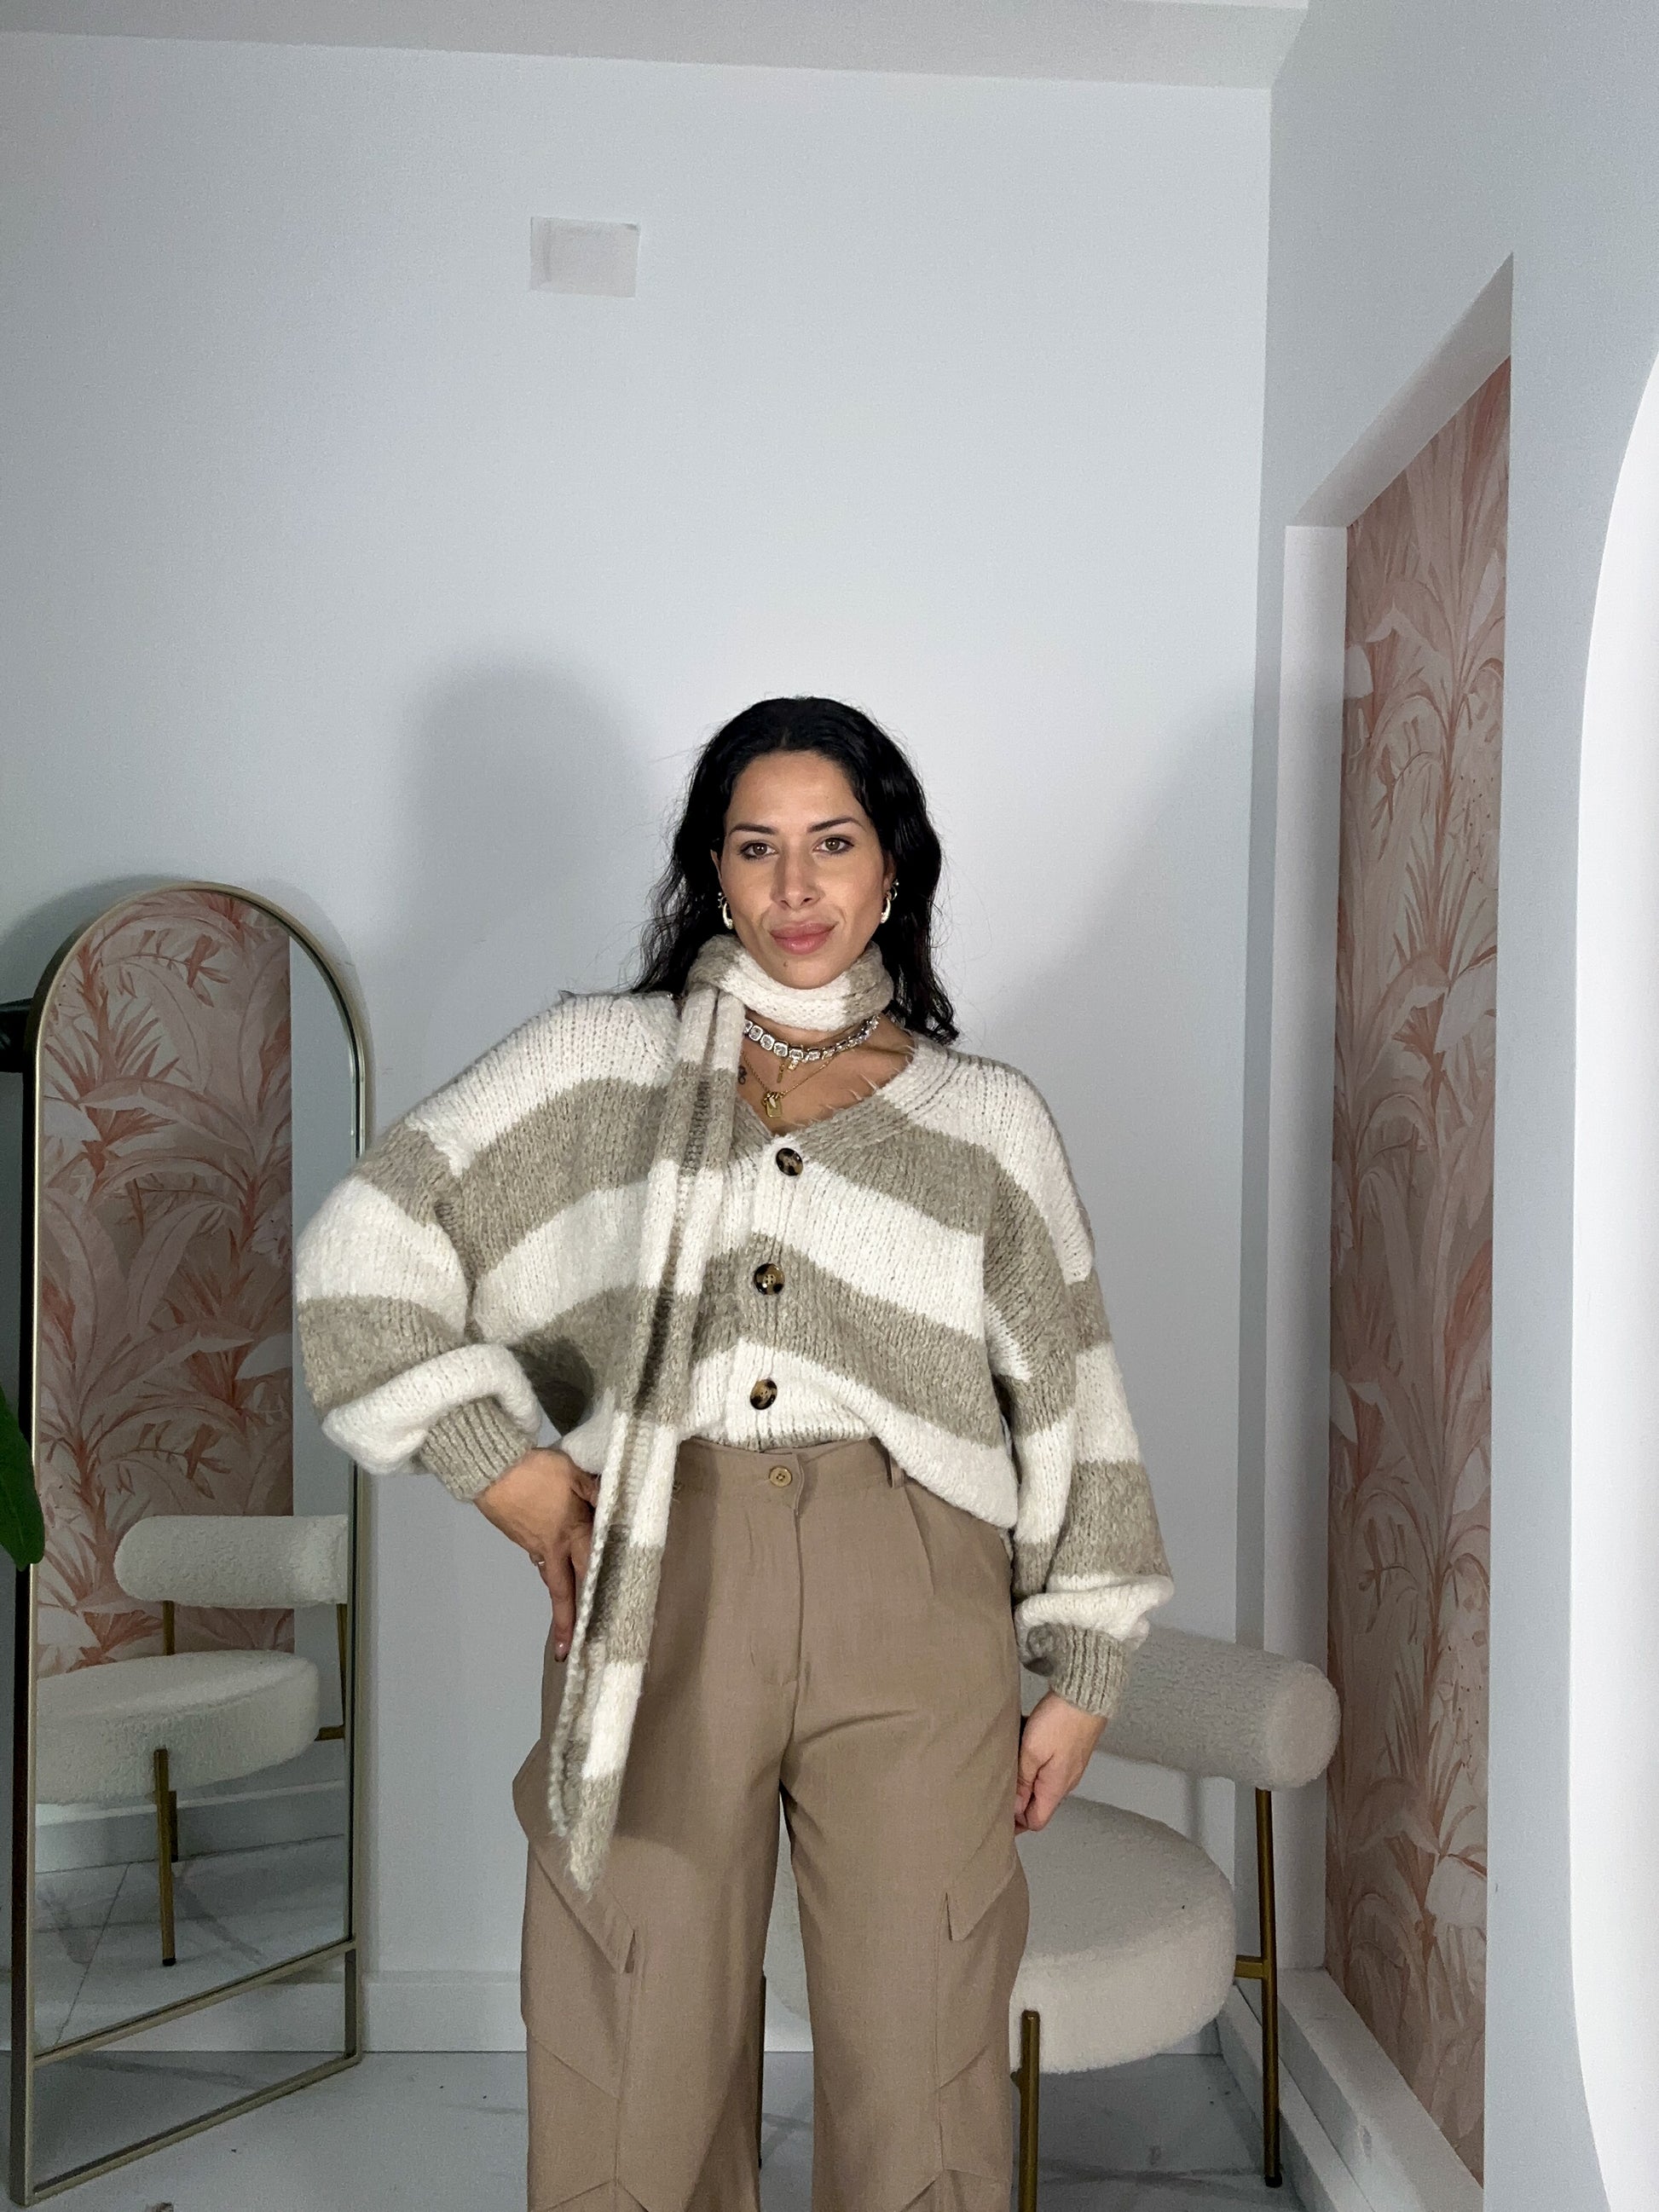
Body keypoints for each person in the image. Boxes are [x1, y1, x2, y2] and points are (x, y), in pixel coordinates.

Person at [295, 696, 1173, 2212]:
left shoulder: (987, 1121)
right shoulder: (597, 1063)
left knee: (924, 2042)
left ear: (892, 869)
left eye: (833, 844)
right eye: (756, 848)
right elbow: (362, 1256)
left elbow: (1073, 1394)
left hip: (916, 1593)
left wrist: (1086, 1665)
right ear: (711, 870)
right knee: (629, 2023)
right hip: (662, 1571)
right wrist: (510, 1472)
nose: (796, 886)